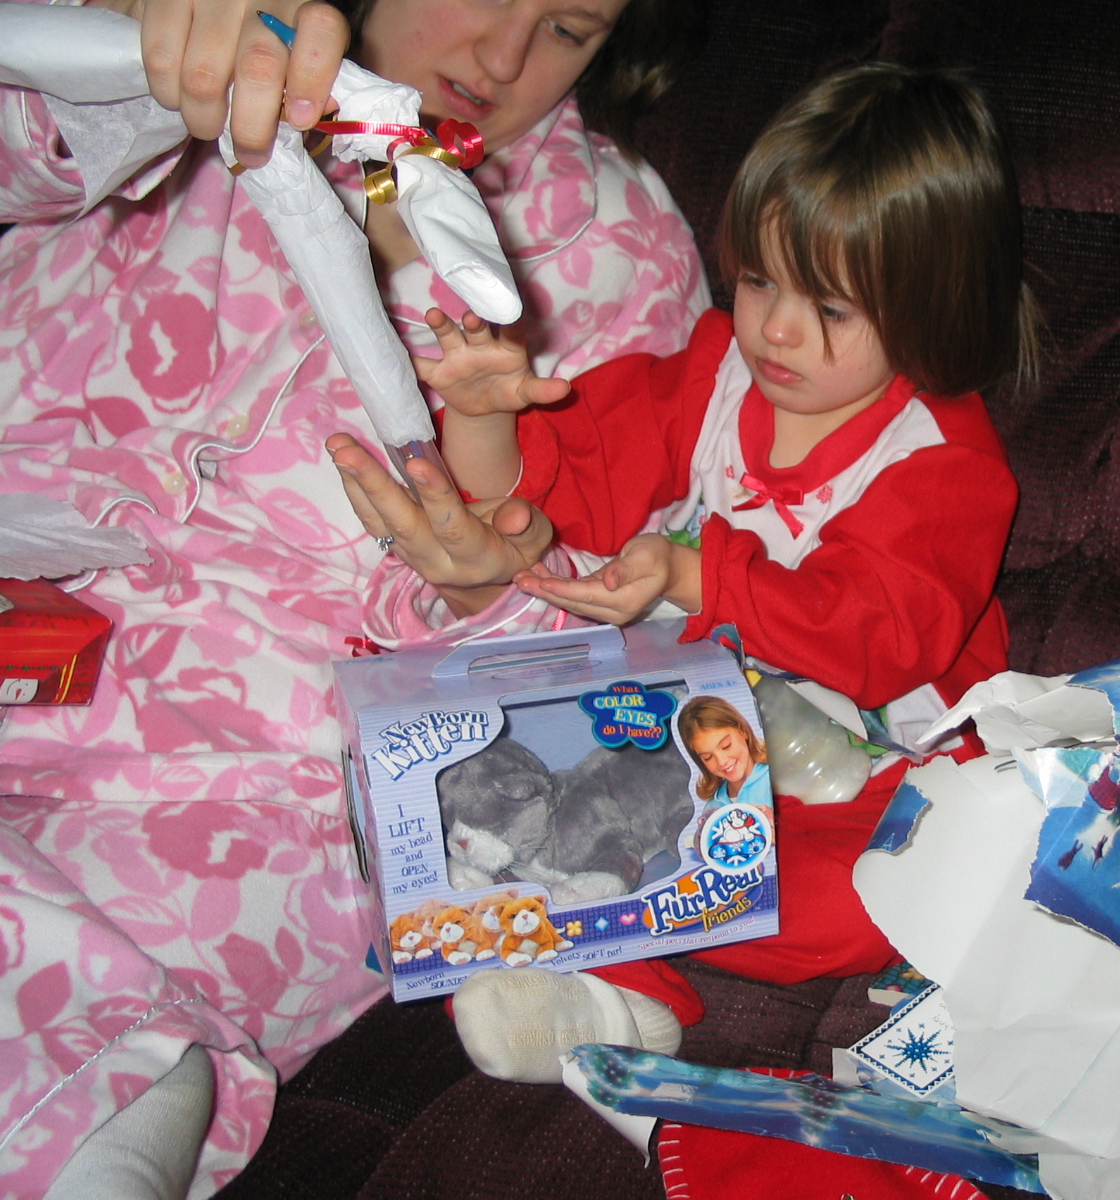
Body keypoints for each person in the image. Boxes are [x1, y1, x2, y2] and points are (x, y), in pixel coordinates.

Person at [0, 0, 707, 1193]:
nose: (503, 59)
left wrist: (485, 590)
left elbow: (627, 656)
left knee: (87, 997)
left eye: (569, 28)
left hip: (234, 792)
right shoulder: (198, 37)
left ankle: (109, 1094)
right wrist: (131, 64)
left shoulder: (619, 260)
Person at [362, 62, 1037, 1085]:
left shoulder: (941, 463)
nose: (777, 328)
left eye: (830, 308)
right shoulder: (715, 369)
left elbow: (879, 636)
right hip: (679, 731)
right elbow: (566, 488)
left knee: (865, 900)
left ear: (933, 310)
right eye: (760, 280)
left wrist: (692, 575)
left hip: (860, 766)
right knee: (492, 783)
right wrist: (485, 416)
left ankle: (606, 969)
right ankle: (600, 974)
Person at [677, 695, 771, 809]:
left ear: (743, 731)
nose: (722, 762)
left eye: (726, 746)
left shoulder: (778, 779)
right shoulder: (713, 808)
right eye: (708, 757)